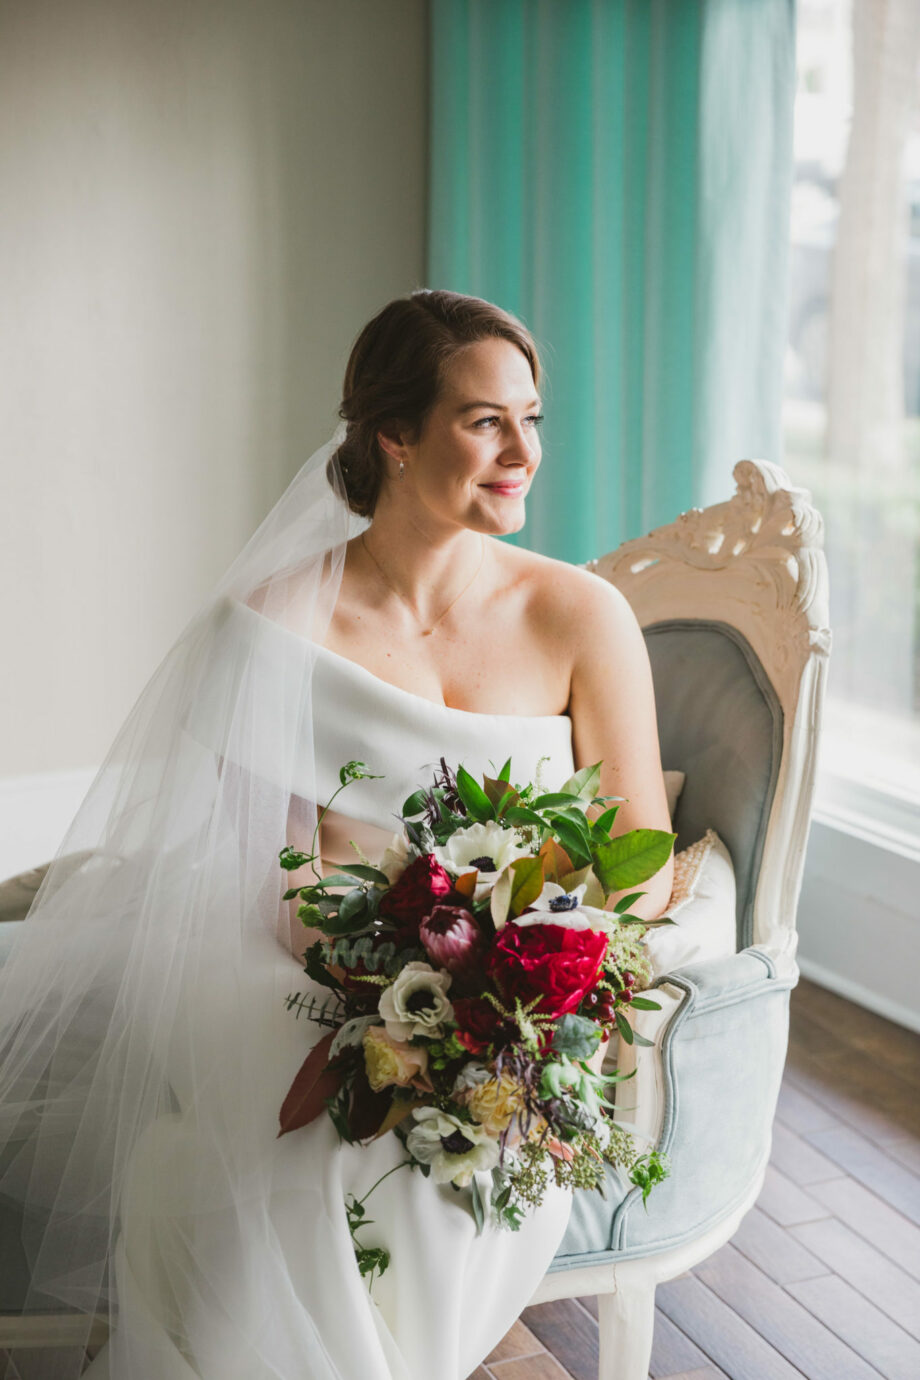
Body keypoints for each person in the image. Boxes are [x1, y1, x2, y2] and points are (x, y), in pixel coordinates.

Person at [0, 289, 674, 1380]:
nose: (522, 453)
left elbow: (637, 848)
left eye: (531, 419)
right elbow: (276, 868)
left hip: (514, 984)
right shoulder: (269, 625)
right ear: (393, 436)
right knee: (327, 1131)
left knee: (452, 1130)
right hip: (293, 958)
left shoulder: (578, 615)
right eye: (484, 421)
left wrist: (541, 981)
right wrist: (395, 989)